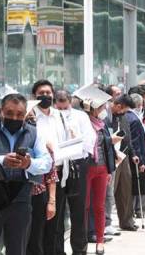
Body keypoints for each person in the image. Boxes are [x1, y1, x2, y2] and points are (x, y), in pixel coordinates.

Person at [0, 93, 52, 255]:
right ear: (0, 111)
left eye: (19, 114)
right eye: (9, 113)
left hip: (21, 197)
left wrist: (29, 163)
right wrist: (2, 161)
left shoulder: (34, 133)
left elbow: (46, 163)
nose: (14, 118)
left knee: (18, 248)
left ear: (25, 114)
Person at [28, 80, 68, 255]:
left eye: (48, 93)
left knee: (56, 223)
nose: (45, 96)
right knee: (38, 224)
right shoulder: (30, 116)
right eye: (41, 93)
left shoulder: (59, 116)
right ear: (34, 96)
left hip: (59, 171)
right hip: (40, 176)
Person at [76, 85, 117, 255]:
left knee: (99, 206)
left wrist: (108, 170)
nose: (103, 110)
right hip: (86, 169)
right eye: (100, 107)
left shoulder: (102, 124)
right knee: (83, 206)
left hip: (101, 168)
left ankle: (100, 241)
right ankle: (82, 239)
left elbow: (106, 148)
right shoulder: (82, 122)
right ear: (92, 109)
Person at [54, 90, 96, 255]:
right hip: (58, 166)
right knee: (57, 212)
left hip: (77, 165)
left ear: (70, 101)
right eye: (59, 103)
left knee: (78, 210)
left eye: (65, 103)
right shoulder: (51, 117)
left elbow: (89, 141)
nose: (62, 107)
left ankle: (79, 250)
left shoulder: (80, 117)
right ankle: (57, 250)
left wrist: (74, 142)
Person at [104, 91, 139, 231]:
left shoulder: (123, 116)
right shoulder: (105, 116)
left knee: (125, 188)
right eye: (124, 109)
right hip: (109, 155)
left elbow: (127, 136)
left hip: (123, 155)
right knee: (109, 190)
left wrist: (133, 154)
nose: (125, 112)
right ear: (118, 105)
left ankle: (127, 221)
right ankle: (106, 222)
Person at [127, 94, 145, 207]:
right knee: (136, 185)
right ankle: (136, 209)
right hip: (136, 157)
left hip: (130, 156)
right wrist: (141, 161)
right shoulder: (134, 119)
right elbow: (135, 143)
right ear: (140, 105)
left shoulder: (127, 116)